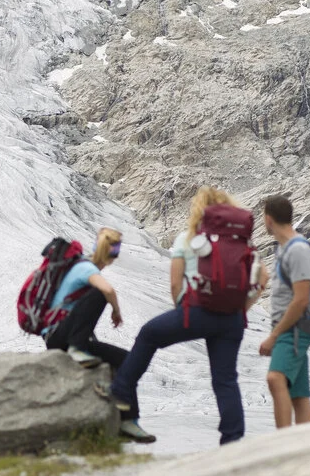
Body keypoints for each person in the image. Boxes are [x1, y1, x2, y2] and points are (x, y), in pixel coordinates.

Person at [102, 187, 268, 445]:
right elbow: (261, 278)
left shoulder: (189, 238)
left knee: (149, 334)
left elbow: (175, 283)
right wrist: (240, 309)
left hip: (198, 310)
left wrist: (184, 312)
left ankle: (121, 391)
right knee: (225, 379)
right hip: (232, 319)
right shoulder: (242, 243)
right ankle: (232, 440)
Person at [43, 228, 151, 442]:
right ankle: (77, 349)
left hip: (67, 334)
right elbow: (108, 291)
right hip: (59, 336)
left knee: (126, 360)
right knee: (99, 294)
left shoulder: (82, 267)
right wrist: (116, 311)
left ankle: (128, 420)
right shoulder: (84, 267)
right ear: (114, 255)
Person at [258, 195, 310, 429]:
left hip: (294, 327)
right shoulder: (287, 248)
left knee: (275, 379)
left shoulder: (298, 249)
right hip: (291, 326)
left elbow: (301, 299)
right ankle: (306, 444)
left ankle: (283, 442)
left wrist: (274, 336)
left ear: (269, 219)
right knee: (298, 394)